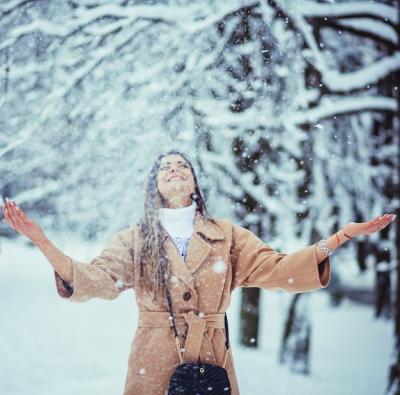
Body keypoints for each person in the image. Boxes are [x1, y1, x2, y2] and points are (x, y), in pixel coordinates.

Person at [2, 150, 396, 395]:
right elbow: (98, 282)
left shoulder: (227, 235)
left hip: (212, 360)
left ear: (194, 182)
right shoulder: (137, 238)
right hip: (153, 361)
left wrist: (339, 238)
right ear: (155, 186)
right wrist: (42, 241)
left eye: (182, 166)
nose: (175, 169)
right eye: (165, 168)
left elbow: (277, 270)